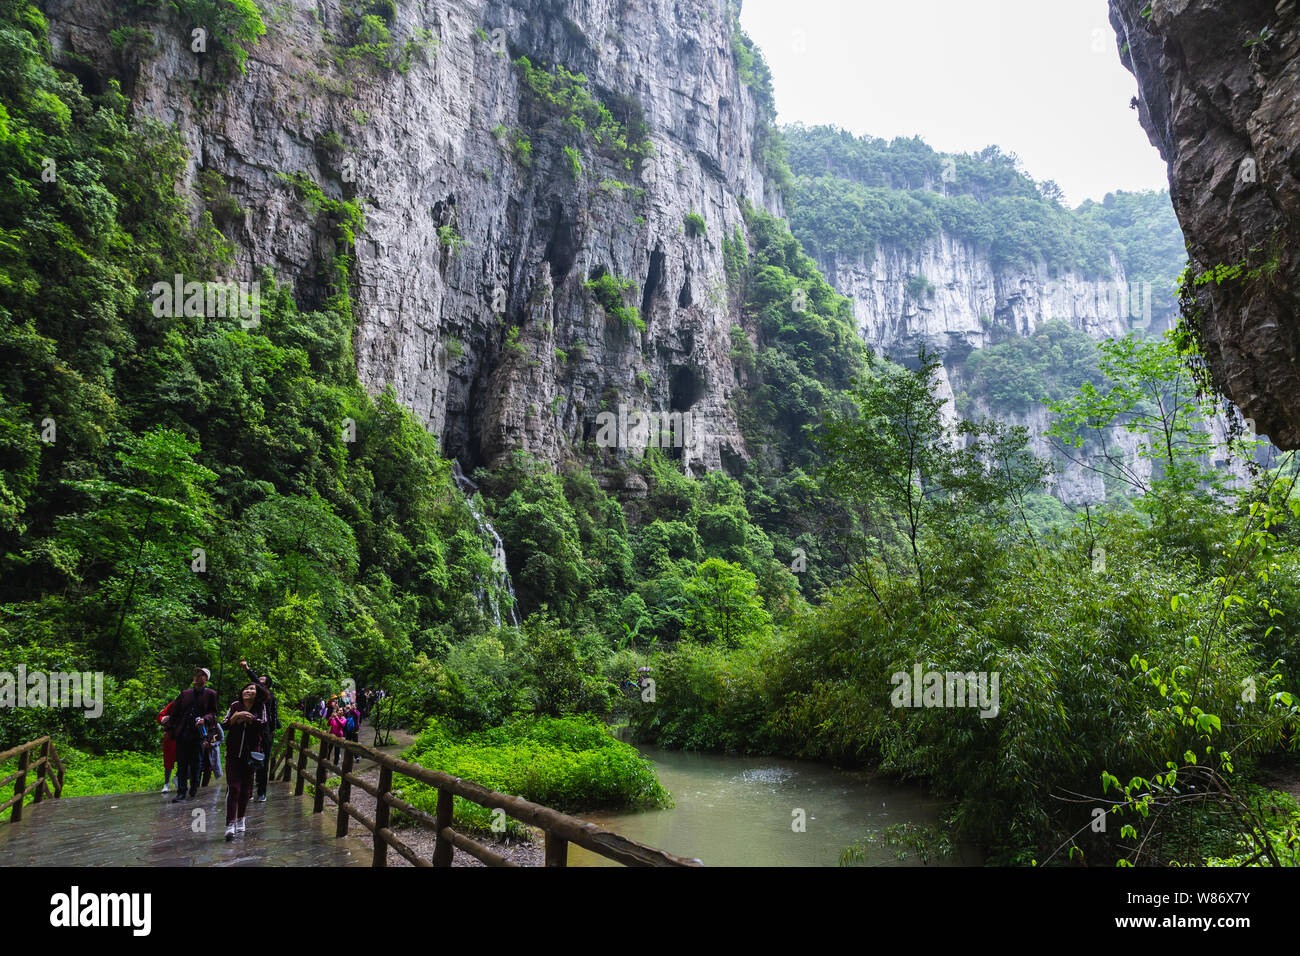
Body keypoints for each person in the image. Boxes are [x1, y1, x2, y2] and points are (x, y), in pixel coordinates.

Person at [221, 682, 269, 841]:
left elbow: (263, 724)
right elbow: (224, 724)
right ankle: (230, 823)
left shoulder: (260, 707)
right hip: (233, 753)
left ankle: (241, 818)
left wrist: (250, 719)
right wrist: (235, 717)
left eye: (252, 689)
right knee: (233, 788)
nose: (248, 691)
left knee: (246, 789)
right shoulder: (235, 705)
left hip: (251, 755)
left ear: (257, 693)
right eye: (246, 689)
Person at [170, 667, 218, 802]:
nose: (198, 677)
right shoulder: (185, 694)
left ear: (206, 679)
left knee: (196, 763)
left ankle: (194, 786)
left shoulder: (210, 694)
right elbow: (175, 712)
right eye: (197, 674)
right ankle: (181, 792)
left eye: (202, 675)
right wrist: (169, 727)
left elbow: (214, 714)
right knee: (182, 763)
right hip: (182, 733)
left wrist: (205, 720)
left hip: (198, 735)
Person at [238, 659, 279, 802]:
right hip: (252, 731)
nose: (257, 683)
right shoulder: (253, 698)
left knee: (263, 762)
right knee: (248, 760)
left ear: (266, 685)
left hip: (265, 731)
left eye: (261, 681)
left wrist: (272, 729)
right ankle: (248, 790)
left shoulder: (269, 696)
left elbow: (274, 714)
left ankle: (261, 792)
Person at [156, 700, 177, 793]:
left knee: (187, 760)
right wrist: (163, 719)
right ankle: (166, 783)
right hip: (171, 735)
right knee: (168, 760)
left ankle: (178, 778)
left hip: (185, 735)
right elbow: (161, 716)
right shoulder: (174, 704)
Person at [327, 701, 347, 766]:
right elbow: (328, 724)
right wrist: (330, 717)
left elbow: (341, 725)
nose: (339, 711)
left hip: (339, 737)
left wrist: (336, 718)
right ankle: (326, 763)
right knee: (328, 750)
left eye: (341, 710)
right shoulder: (334, 718)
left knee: (337, 751)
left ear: (343, 712)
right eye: (338, 710)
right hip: (332, 736)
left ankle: (335, 765)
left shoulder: (344, 719)